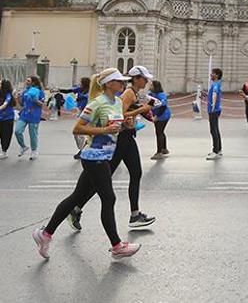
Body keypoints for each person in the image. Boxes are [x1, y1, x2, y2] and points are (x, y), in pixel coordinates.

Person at [32, 68, 141, 259]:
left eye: (123, 81)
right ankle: (117, 246)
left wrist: (126, 125)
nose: (123, 83)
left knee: (76, 198)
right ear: (108, 83)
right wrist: (105, 129)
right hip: (93, 157)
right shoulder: (96, 103)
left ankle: (45, 234)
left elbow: (115, 127)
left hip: (105, 156)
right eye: (118, 81)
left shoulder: (116, 102)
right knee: (109, 198)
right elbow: (78, 128)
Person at [67, 66, 157, 232]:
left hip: (126, 137)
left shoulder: (133, 93)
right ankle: (75, 208)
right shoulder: (129, 92)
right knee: (101, 181)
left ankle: (134, 214)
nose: (146, 81)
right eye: (144, 78)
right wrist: (141, 110)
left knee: (133, 173)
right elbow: (119, 114)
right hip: (120, 139)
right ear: (136, 78)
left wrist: (142, 111)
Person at [15, 75, 45, 160]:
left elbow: (42, 104)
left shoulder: (39, 92)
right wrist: (18, 98)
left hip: (34, 115)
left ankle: (34, 151)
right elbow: (21, 104)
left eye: (28, 81)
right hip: (24, 114)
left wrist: (35, 100)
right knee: (17, 131)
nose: (26, 82)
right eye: (26, 80)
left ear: (33, 82)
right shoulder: (25, 91)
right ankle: (23, 146)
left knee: (33, 134)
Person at [60, 76, 91, 159]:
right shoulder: (80, 89)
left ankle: (83, 150)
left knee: (81, 132)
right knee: (77, 133)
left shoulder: (90, 91)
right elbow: (68, 90)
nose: (79, 84)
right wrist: (58, 90)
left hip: (88, 113)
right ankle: (82, 148)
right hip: (80, 112)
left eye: (81, 82)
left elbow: (86, 97)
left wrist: (79, 98)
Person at [149, 80, 171, 160]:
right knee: (161, 131)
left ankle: (159, 152)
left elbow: (163, 106)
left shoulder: (160, 95)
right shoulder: (151, 94)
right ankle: (164, 148)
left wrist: (157, 116)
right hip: (156, 114)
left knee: (159, 132)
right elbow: (150, 104)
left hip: (163, 116)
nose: (150, 86)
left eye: (151, 85)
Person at [206, 68, 223, 160]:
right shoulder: (216, 84)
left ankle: (215, 151)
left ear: (217, 75)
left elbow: (215, 94)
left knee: (213, 130)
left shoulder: (216, 84)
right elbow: (212, 94)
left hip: (213, 110)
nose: (210, 75)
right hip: (216, 109)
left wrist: (212, 105)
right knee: (216, 129)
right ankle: (219, 149)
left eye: (212, 73)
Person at [0, 79, 16, 159]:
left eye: (0, 84)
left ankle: (4, 151)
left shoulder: (8, 95)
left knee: (5, 135)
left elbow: (5, 105)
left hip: (7, 118)